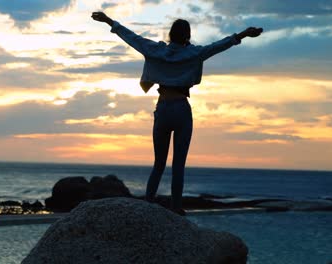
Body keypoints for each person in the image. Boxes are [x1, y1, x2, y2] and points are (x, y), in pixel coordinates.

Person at [91, 11, 262, 215]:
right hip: (181, 108)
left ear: (171, 34)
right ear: (187, 36)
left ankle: (148, 203)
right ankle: (176, 207)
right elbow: (220, 45)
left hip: (162, 108)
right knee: (178, 164)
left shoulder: (156, 50)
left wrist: (108, 20)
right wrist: (244, 33)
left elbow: (131, 37)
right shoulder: (194, 53)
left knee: (159, 163)